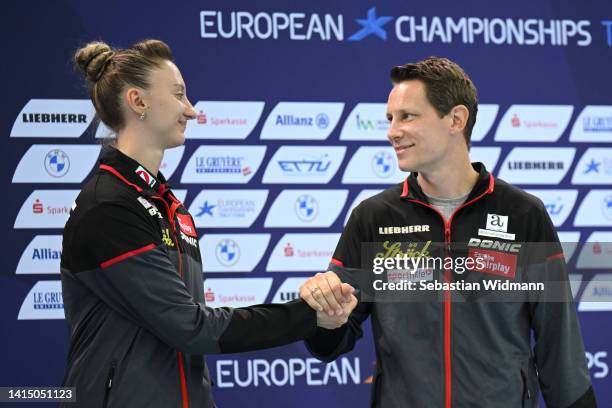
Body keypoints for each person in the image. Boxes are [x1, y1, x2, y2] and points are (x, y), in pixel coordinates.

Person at [60, 39, 357, 408]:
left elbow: (184, 338)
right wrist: (308, 316)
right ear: (138, 101)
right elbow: (191, 327)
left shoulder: (167, 204)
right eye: (179, 95)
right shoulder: (109, 206)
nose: (192, 110)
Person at [300, 57, 597, 407]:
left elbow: (559, 346)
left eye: (407, 116)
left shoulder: (523, 214)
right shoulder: (373, 217)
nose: (392, 131)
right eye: (390, 119)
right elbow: (331, 342)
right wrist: (325, 318)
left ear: (456, 119)